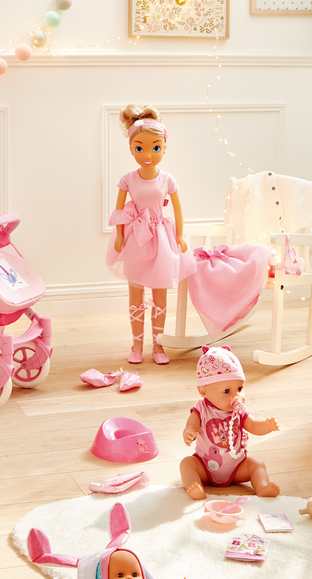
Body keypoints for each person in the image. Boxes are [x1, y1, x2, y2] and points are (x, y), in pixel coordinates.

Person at [106, 104, 197, 365]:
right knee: (135, 292)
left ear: (164, 148)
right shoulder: (128, 179)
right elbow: (120, 211)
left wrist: (180, 235)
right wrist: (119, 235)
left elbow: (178, 210)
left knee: (160, 293)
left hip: (162, 239)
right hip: (136, 238)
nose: (148, 155)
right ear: (131, 148)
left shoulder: (167, 180)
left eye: (155, 148)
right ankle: (136, 346)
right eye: (140, 148)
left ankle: (158, 346)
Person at [180, 345, 280, 500]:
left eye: (240, 388)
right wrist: (189, 432)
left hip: (237, 467)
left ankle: (262, 486)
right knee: (186, 464)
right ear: (203, 390)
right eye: (227, 391)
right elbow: (191, 425)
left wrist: (267, 426)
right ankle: (195, 487)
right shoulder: (201, 408)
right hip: (205, 466)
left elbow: (253, 425)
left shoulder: (239, 411)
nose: (236, 396)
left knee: (257, 465)